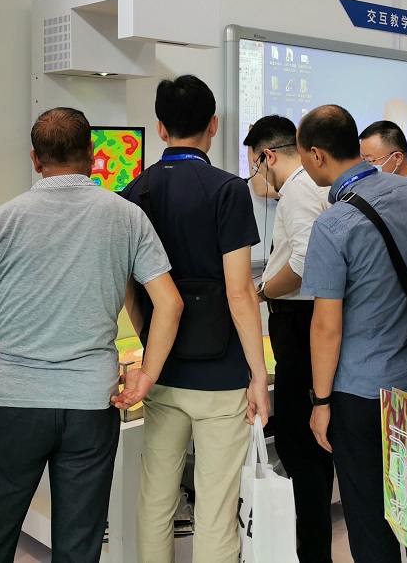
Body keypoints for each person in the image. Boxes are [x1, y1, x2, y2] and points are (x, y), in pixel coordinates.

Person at [0, 107, 182, 563]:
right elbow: (170, 303)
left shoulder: (0, 220)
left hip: (13, 399)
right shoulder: (127, 216)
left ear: (35, 159)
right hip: (90, 403)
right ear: (92, 154)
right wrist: (147, 375)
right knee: (79, 541)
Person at [121, 75, 270, 563]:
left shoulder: (133, 192)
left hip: (162, 374)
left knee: (156, 499)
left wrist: (151, 343)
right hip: (223, 376)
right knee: (216, 509)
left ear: (160, 128)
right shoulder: (228, 190)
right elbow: (239, 292)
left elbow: (130, 288)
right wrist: (258, 375)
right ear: (214, 125)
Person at [298, 104, 407, 563]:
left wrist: (320, 402)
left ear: (317, 155)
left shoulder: (333, 223)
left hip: (360, 394)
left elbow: (326, 326)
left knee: (370, 520)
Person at [243, 115, 333, 563]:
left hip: (298, 322)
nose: (254, 178)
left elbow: (303, 262)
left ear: (268, 156)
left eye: (253, 167)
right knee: (311, 445)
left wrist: (260, 292)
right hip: (307, 321)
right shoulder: (316, 186)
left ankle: (312, 551)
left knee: (299, 444)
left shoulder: (297, 191)